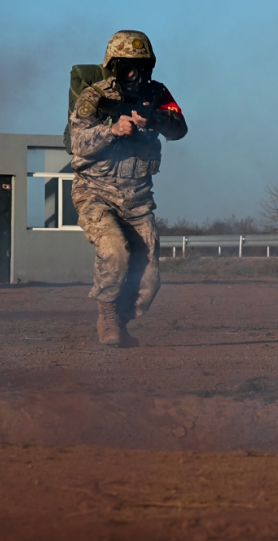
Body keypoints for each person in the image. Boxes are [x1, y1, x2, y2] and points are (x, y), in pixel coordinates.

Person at [69, 30, 188, 347]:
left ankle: (120, 320)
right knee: (115, 251)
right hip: (95, 193)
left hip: (137, 200)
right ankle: (107, 316)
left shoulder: (158, 94)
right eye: (127, 65)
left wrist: (156, 120)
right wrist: (113, 130)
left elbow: (180, 129)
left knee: (149, 279)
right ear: (113, 65)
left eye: (141, 65)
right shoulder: (94, 96)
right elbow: (78, 143)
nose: (134, 72)